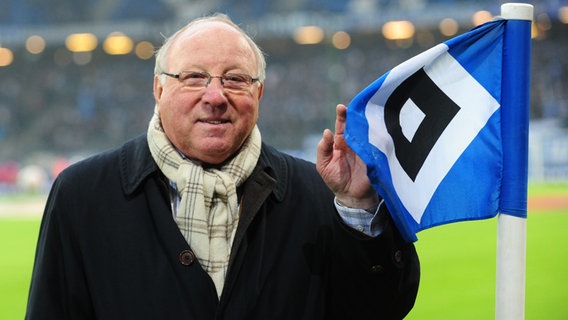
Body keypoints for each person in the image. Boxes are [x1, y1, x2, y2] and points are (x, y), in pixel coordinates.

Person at [26, 13, 419, 319]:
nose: (215, 96)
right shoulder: (82, 195)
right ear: (158, 89)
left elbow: (379, 311)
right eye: (194, 77)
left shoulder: (320, 195)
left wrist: (357, 210)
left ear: (258, 92)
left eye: (234, 79)